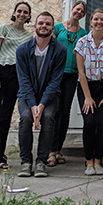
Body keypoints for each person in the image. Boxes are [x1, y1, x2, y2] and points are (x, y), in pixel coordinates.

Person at [0, 2, 33, 174]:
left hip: (16, 76)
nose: (22, 14)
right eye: (19, 11)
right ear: (14, 12)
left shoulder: (29, 36)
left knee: (5, 116)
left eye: (25, 12)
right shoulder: (4, 28)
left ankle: (0, 157)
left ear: (29, 16)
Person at [16, 12, 67, 178]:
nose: (44, 26)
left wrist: (42, 105)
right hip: (27, 94)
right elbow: (23, 81)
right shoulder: (22, 50)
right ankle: (26, 161)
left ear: (53, 28)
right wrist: (32, 105)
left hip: (50, 96)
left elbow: (55, 81)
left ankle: (41, 161)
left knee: (48, 116)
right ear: (35, 26)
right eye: (41, 23)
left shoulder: (60, 49)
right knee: (25, 118)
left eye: (47, 24)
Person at [75, 9, 103, 176]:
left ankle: (98, 161)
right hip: (87, 87)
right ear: (91, 22)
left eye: (102, 20)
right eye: (95, 19)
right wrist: (87, 97)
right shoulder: (82, 42)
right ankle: (88, 161)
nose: (99, 22)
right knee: (90, 122)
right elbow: (80, 72)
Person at [48, 0, 88, 166]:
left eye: (82, 12)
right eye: (77, 9)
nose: (79, 12)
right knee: (53, 112)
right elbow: (49, 48)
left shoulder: (83, 32)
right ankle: (49, 150)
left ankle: (58, 149)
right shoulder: (57, 28)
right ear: (72, 9)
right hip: (56, 74)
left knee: (65, 112)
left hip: (73, 76)